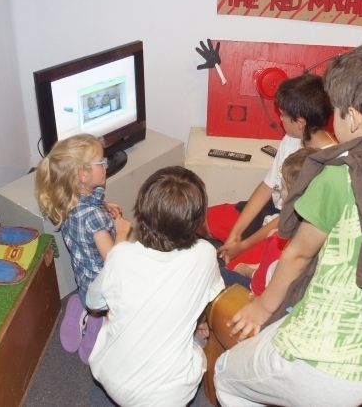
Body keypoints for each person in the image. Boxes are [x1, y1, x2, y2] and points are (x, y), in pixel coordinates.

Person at [214, 39, 362, 407]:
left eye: (335, 109)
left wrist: (262, 306)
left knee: (226, 373)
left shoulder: (336, 176)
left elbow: (298, 256)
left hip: (321, 365)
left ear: (355, 117)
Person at [86, 166, 225, 406]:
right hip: (169, 396)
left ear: (141, 211)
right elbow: (211, 294)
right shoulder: (206, 253)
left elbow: (93, 303)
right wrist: (200, 321)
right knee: (196, 335)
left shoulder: (121, 256)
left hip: (113, 379)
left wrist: (119, 240)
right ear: (198, 221)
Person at [208, 73, 334, 265]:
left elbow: (289, 216)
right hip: (271, 210)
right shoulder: (292, 138)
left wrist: (243, 246)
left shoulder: (328, 162)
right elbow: (267, 187)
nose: (280, 118)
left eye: (283, 115)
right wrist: (235, 234)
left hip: (289, 227)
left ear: (300, 123)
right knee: (202, 220)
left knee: (234, 265)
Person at [34, 134, 131, 364]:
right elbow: (114, 260)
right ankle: (97, 318)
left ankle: (79, 303)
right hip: (101, 288)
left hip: (82, 276)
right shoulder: (95, 220)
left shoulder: (68, 199)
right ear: (83, 174)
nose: (106, 165)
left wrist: (103, 205)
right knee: (115, 302)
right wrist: (122, 232)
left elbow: (87, 211)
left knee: (87, 292)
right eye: (102, 162)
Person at [229, 147, 318, 294]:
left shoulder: (280, 239)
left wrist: (244, 269)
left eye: (282, 187)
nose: (279, 190)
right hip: (287, 289)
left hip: (264, 297)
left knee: (223, 274)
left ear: (294, 195)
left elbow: (262, 284)